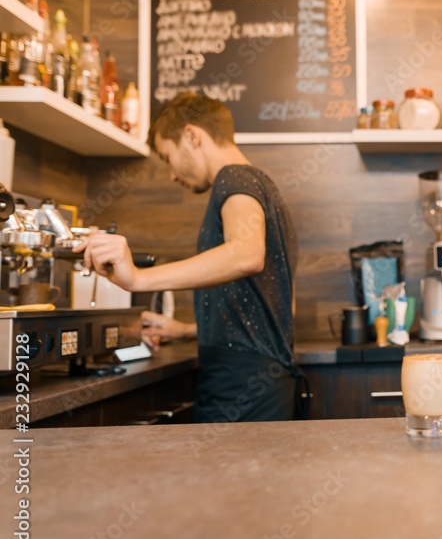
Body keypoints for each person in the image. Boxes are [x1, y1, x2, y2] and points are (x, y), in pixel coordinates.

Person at [75, 93, 303, 422]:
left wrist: (137, 277)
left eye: (167, 157)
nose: (171, 174)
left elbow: (246, 254)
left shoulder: (234, 177)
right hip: (267, 385)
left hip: (239, 386)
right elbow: (282, 311)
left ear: (192, 136)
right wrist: (185, 331)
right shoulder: (265, 189)